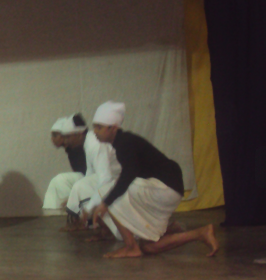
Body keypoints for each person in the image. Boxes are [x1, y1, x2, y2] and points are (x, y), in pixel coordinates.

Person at [90, 101, 218, 258]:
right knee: (149, 247)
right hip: (169, 189)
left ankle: (131, 247)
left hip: (164, 187)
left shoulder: (124, 143)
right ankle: (200, 233)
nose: (95, 131)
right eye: (94, 127)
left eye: (99, 127)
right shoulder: (123, 142)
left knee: (109, 193)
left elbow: (128, 175)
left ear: (113, 128)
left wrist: (105, 203)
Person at [60, 114, 121, 238]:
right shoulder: (88, 142)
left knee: (81, 187)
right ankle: (86, 223)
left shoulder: (95, 144)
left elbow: (105, 178)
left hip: (118, 179)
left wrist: (88, 207)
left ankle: (106, 229)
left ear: (79, 134)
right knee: (81, 186)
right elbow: (90, 172)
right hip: (111, 178)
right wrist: (75, 198)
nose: (65, 142)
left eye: (68, 137)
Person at [42, 117, 87, 216]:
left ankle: (71, 214)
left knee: (60, 180)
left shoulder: (84, 147)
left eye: (55, 135)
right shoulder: (72, 151)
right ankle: (54, 216)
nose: (52, 139)